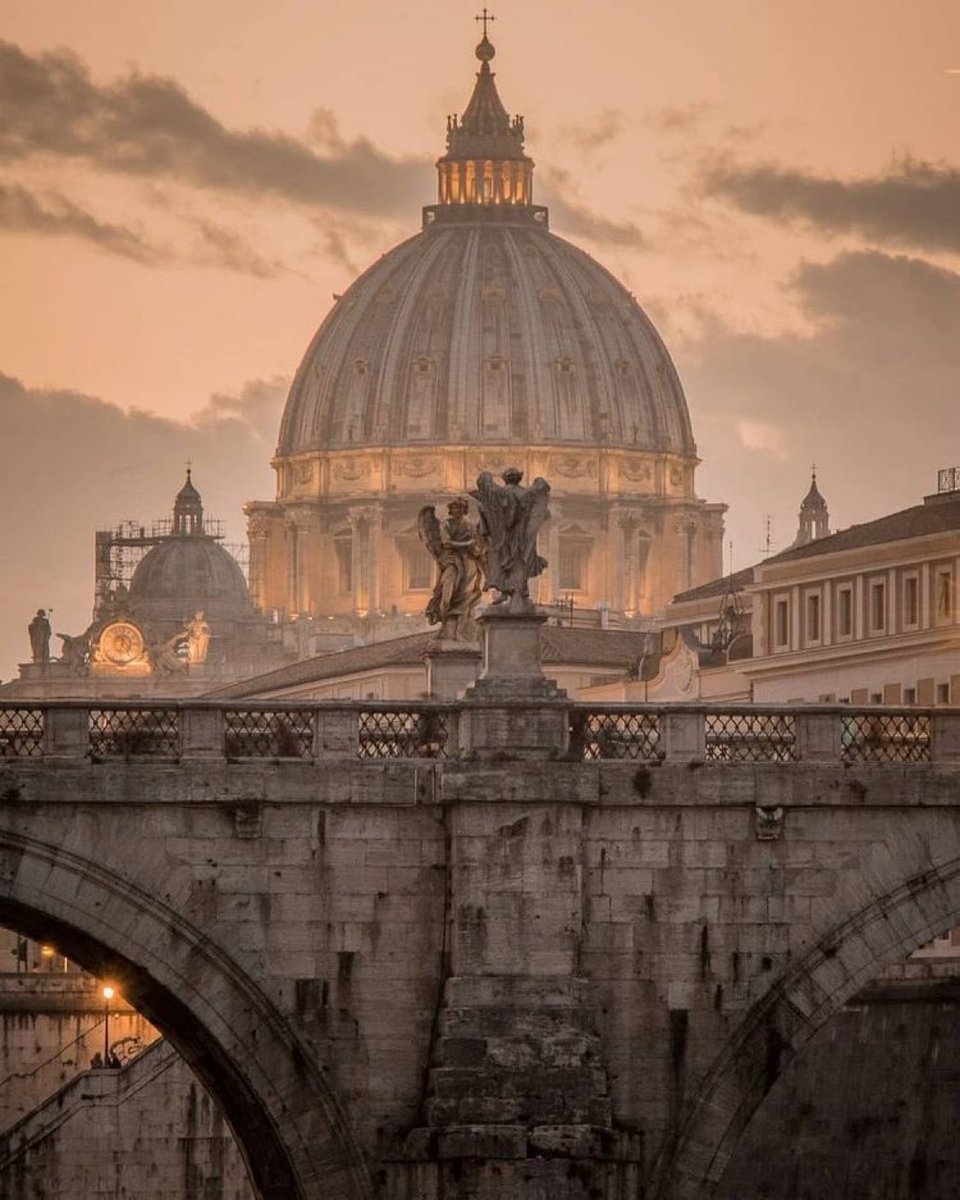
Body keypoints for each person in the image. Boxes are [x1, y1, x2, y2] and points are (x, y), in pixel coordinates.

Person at [470, 468, 550, 611]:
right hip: (523, 537)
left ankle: (508, 593)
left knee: (503, 563)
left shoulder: (498, 493)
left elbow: (488, 507)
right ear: (519, 478)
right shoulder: (527, 493)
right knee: (520, 563)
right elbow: (542, 512)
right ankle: (520, 594)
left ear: (505, 478)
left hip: (504, 537)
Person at [418, 498, 484, 642]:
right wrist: (467, 543)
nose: (456, 511)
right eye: (454, 508)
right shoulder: (446, 524)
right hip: (451, 560)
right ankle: (445, 615)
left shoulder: (470, 526)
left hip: (468, 559)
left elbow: (478, 545)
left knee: (468, 591)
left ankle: (463, 620)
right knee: (447, 590)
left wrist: (475, 547)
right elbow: (446, 543)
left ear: (464, 510)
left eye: (459, 508)